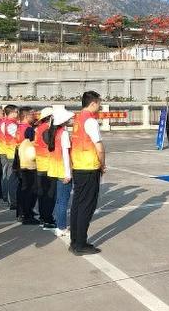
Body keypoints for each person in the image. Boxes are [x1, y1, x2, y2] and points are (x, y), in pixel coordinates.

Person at [70, 91, 105, 255]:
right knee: (86, 206)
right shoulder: (90, 121)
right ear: (93, 103)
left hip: (78, 166)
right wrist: (102, 164)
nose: (100, 106)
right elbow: (99, 146)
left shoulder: (77, 119)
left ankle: (75, 241)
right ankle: (80, 244)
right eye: (99, 103)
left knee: (77, 204)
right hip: (89, 167)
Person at [47, 109, 75, 237]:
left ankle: (60, 225)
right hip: (63, 170)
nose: (69, 120)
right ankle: (62, 227)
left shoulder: (54, 132)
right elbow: (65, 154)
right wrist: (68, 173)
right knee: (63, 201)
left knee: (59, 200)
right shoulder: (63, 133)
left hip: (56, 170)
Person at [33, 107, 57, 230]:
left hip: (40, 165)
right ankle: (47, 219)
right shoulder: (46, 130)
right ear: (50, 118)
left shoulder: (38, 128)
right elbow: (51, 145)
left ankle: (43, 217)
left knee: (43, 194)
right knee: (49, 195)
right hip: (48, 166)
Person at [16, 107, 39, 224]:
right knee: (31, 189)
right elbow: (33, 146)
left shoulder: (19, 127)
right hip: (28, 163)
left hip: (19, 160)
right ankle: (27, 214)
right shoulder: (29, 129)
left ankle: (21, 212)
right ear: (25, 116)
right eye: (32, 114)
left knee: (22, 188)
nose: (34, 116)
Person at [0, 105, 19, 208]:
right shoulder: (11, 124)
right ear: (10, 113)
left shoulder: (4, 122)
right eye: (16, 112)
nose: (17, 114)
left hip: (5, 151)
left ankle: (7, 196)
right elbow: (18, 138)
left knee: (6, 176)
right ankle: (12, 200)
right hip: (11, 153)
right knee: (11, 178)